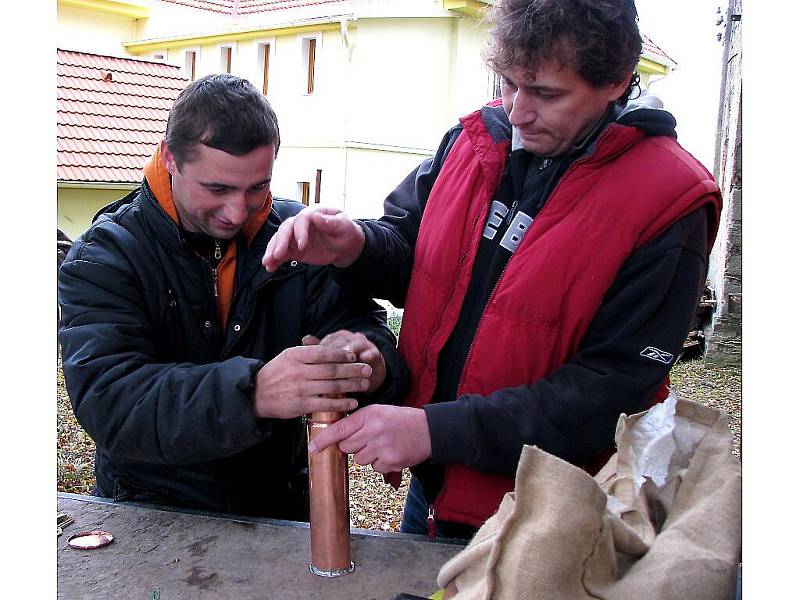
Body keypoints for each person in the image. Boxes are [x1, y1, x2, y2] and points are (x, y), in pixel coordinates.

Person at [262, 0, 723, 539]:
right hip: (436, 490)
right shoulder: (476, 140)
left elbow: (612, 393)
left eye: (547, 93)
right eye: (507, 83)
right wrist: (355, 246)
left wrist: (435, 430)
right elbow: (417, 257)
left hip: (554, 515)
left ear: (617, 81)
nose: (518, 111)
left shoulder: (669, 200)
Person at [58, 74, 407, 520]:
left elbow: (366, 330)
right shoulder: (107, 254)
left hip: (278, 514)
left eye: (257, 187)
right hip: (150, 520)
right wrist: (253, 393)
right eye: (217, 189)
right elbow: (113, 403)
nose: (237, 212)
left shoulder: (297, 237)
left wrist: (369, 362)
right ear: (169, 157)